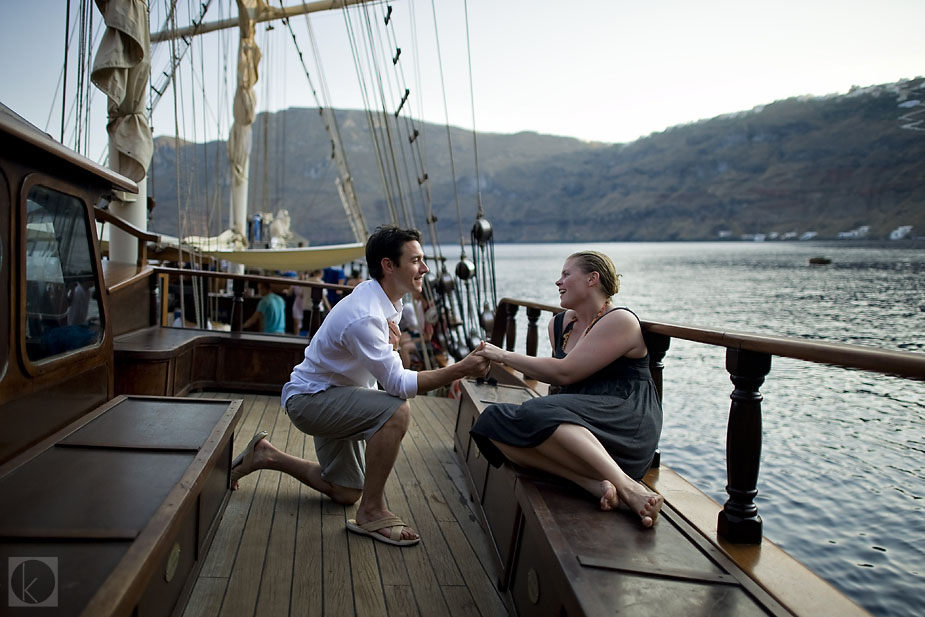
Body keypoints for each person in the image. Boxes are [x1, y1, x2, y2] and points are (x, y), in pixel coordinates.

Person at [228, 225, 490, 547]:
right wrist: (460, 368)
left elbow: (390, 377)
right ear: (388, 265)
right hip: (312, 400)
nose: (425, 268)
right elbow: (396, 386)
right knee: (397, 412)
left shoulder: (390, 303)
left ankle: (265, 456)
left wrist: (396, 351)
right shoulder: (365, 315)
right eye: (416, 260)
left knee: (345, 492)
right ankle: (371, 512)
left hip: (337, 395)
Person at [470, 251, 664, 527]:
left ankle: (628, 486)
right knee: (489, 424)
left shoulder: (620, 321)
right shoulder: (560, 325)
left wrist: (500, 355)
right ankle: (594, 484)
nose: (558, 281)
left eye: (566, 274)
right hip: (578, 425)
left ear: (592, 279)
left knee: (536, 410)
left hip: (624, 425)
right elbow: (559, 387)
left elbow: (565, 371)